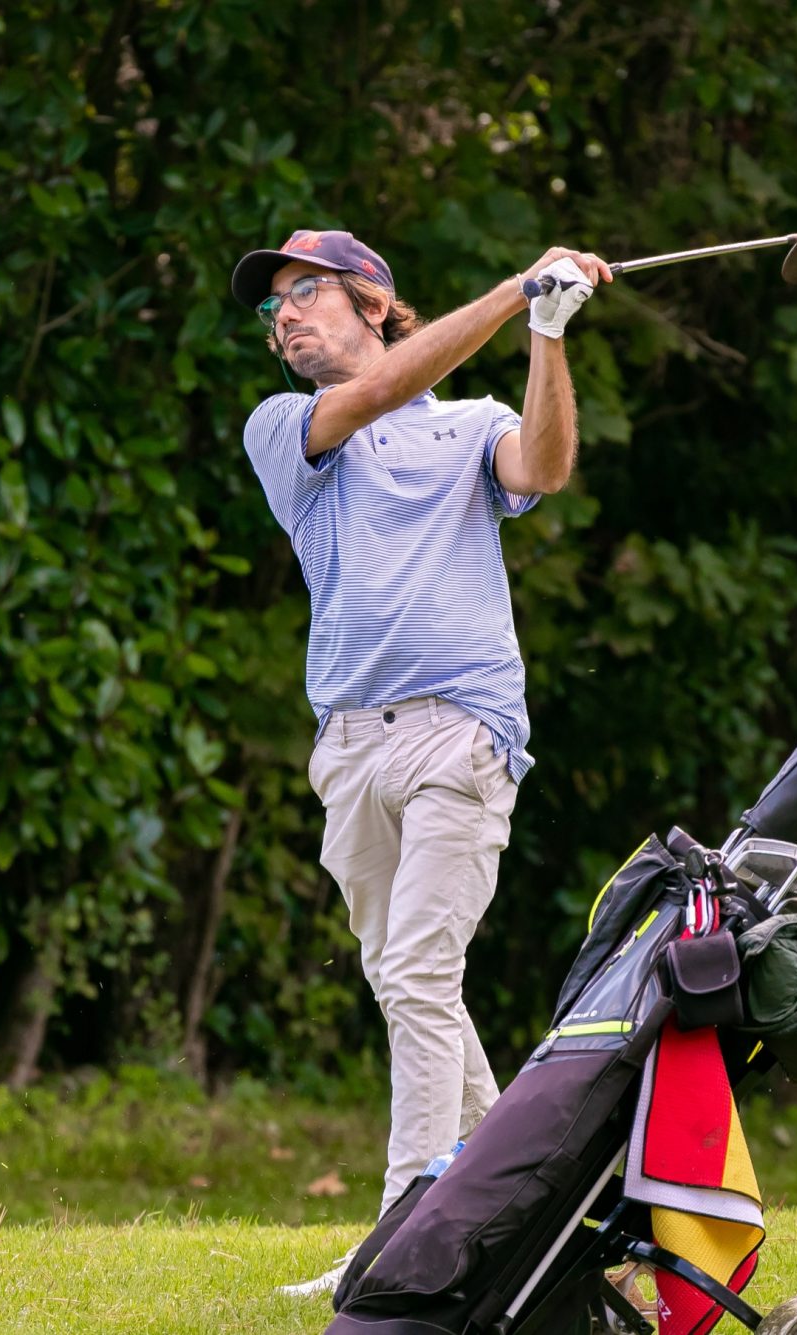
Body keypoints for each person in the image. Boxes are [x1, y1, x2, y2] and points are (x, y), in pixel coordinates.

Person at [230, 229, 608, 1295]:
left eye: (306, 294)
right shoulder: (285, 428)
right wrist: (512, 291)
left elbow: (543, 466)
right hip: (351, 747)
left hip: (462, 729)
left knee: (420, 975)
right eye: (274, 308)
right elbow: (382, 390)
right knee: (406, 983)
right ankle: (536, 1213)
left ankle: (400, 1245)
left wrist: (546, 333)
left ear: (374, 302)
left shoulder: (472, 426)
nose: (284, 317)